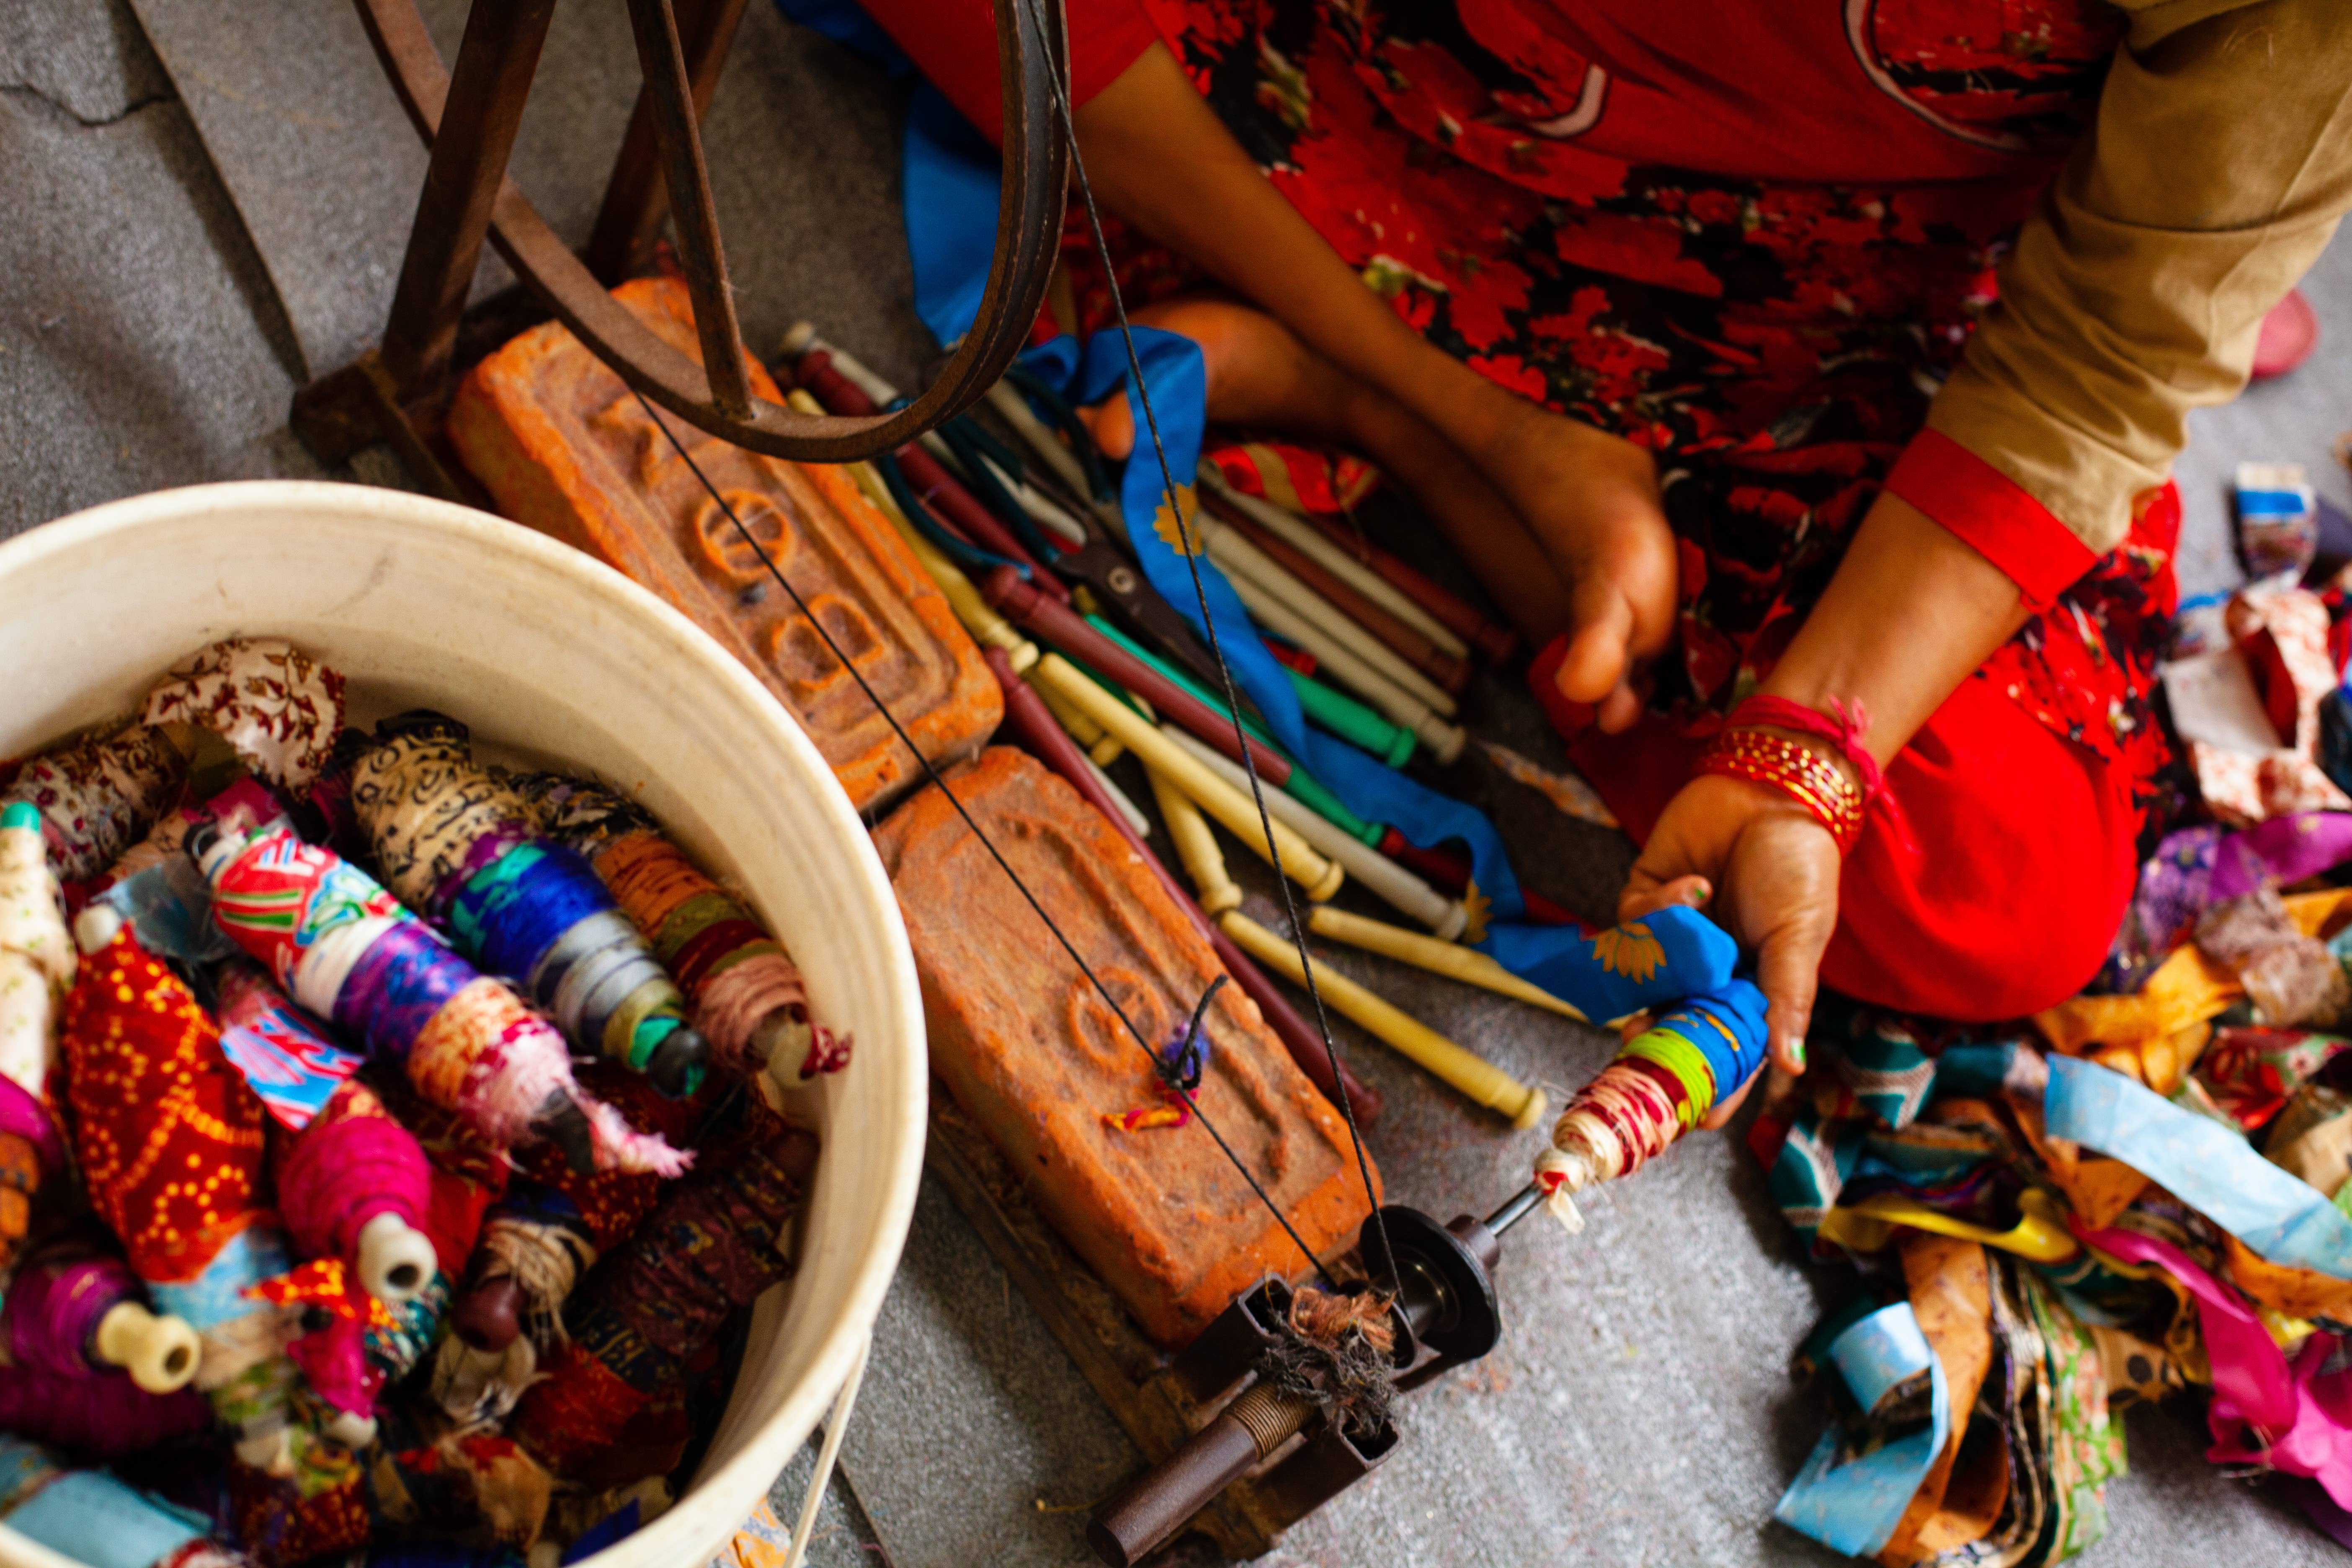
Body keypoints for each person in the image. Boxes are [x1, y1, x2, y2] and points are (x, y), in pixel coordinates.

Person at [846, 0, 2352, 1117]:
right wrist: (1499, 429)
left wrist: (1805, 757)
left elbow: (2094, 371)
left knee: (2001, 881)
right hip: (1351, 61)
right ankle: (1465, 429)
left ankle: (1379, 399)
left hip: (1789, 300)